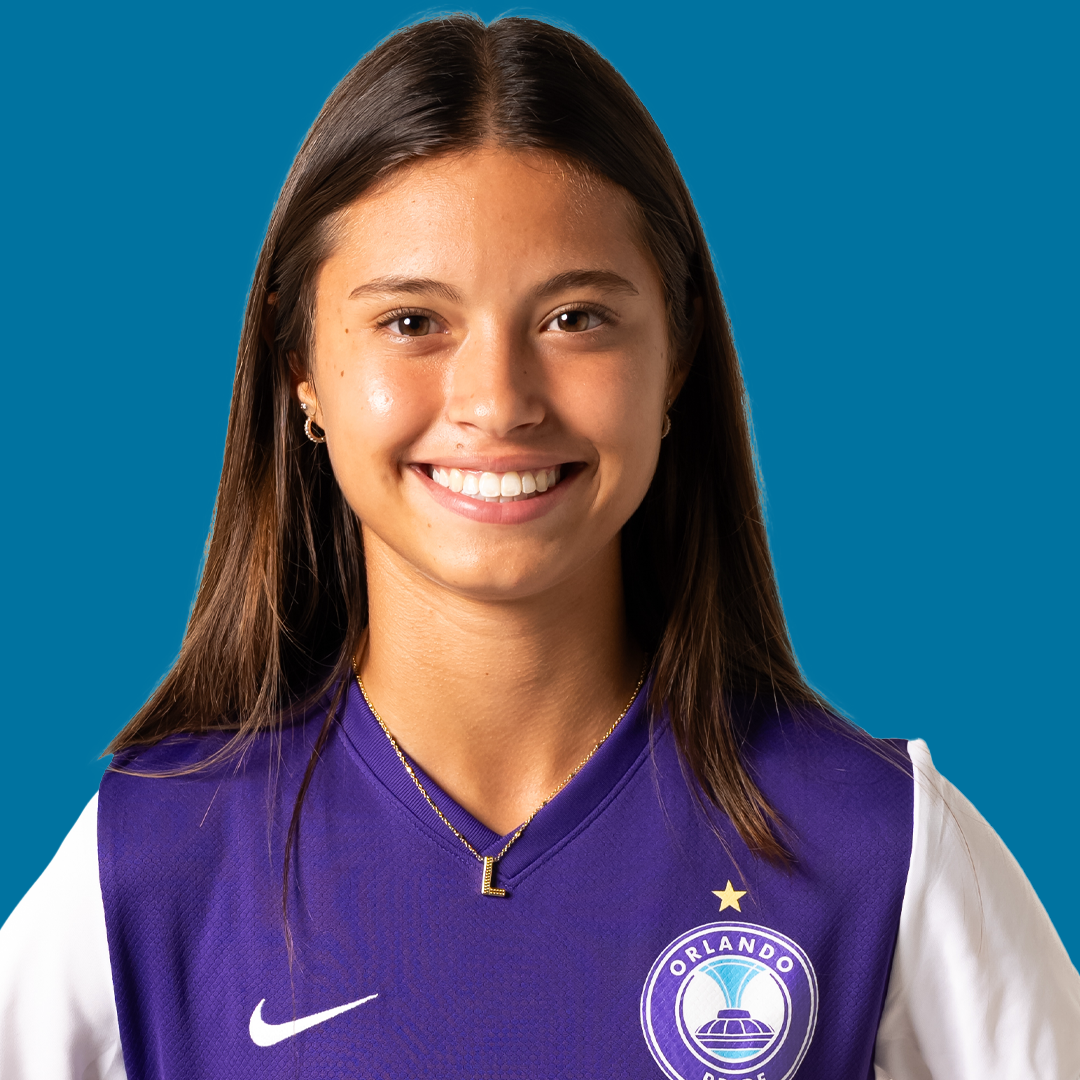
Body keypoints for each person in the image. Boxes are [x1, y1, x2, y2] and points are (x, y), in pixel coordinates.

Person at [1, 15, 1077, 1080]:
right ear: (302, 370)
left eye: (575, 319)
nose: (498, 402)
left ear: (679, 352)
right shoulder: (149, 863)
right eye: (413, 323)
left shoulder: (873, 846)